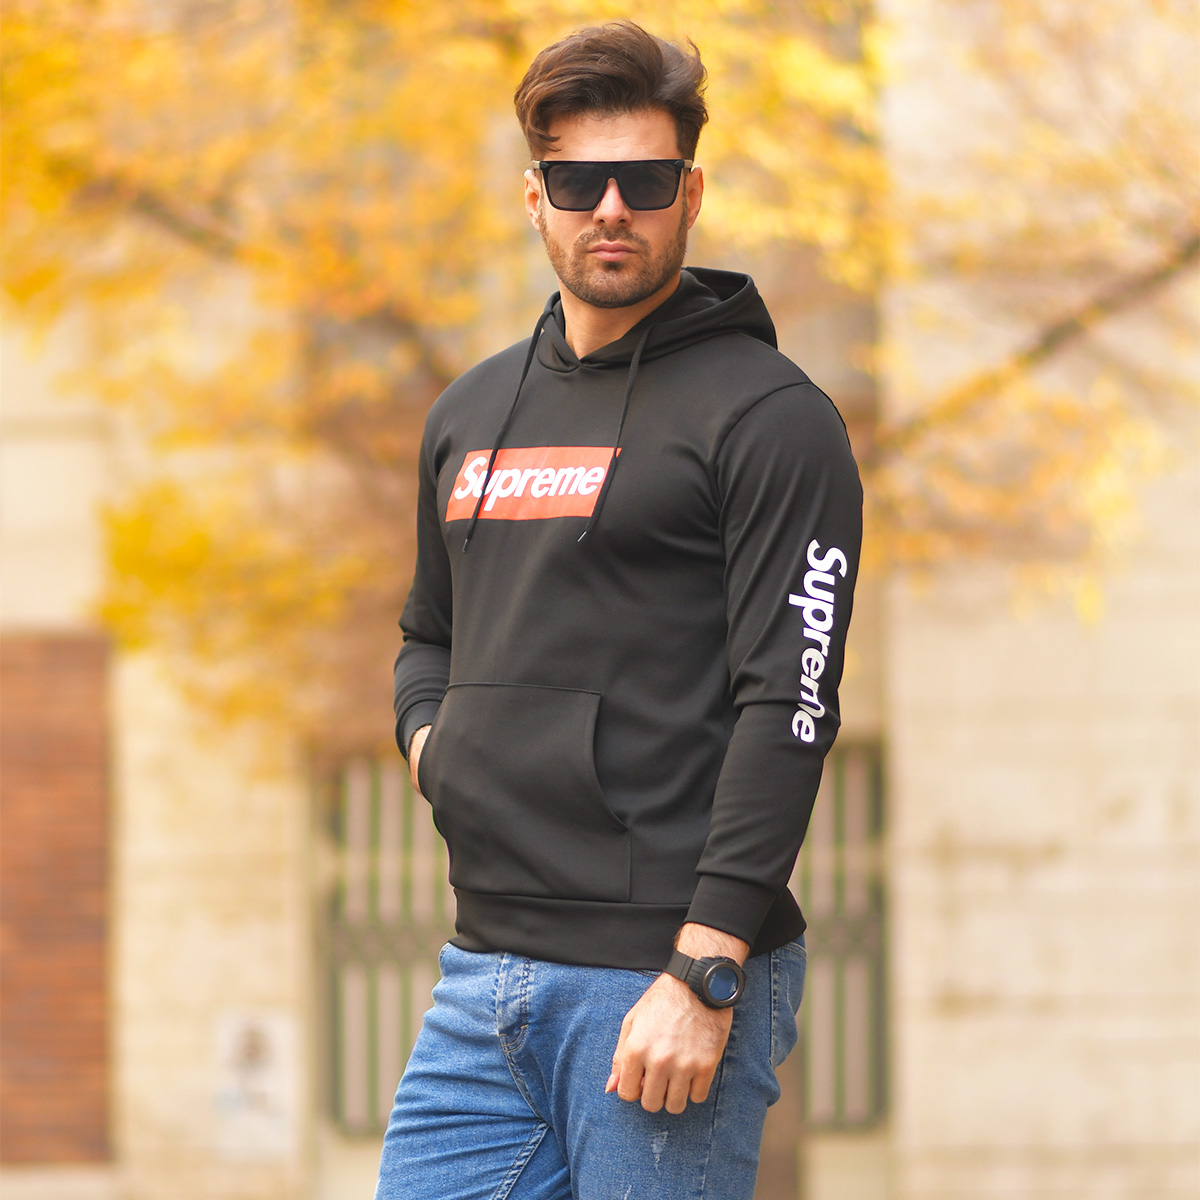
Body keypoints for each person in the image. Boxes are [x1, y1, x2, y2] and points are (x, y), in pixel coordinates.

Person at [378, 20, 861, 1200]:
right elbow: (427, 634)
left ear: (689, 193)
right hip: (481, 973)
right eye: (577, 182)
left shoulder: (771, 420)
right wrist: (436, 746)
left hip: (661, 975)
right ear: (531, 197)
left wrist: (706, 968)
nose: (610, 209)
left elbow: (790, 703)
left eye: (644, 181)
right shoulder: (469, 413)